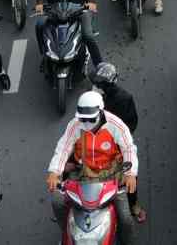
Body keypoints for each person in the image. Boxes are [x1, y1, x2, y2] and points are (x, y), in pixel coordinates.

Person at [46, 90, 139, 242]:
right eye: (82, 119)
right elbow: (63, 147)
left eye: (90, 119)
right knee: (57, 201)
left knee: (126, 219)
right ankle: (67, 233)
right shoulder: (75, 125)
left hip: (111, 174)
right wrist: (54, 172)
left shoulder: (115, 124)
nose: (86, 123)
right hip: (82, 172)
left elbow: (129, 148)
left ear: (100, 112)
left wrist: (130, 174)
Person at [90, 63, 147, 222]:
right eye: (95, 83)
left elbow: (131, 124)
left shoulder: (125, 99)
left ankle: (133, 204)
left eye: (100, 84)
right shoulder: (92, 97)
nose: (96, 87)